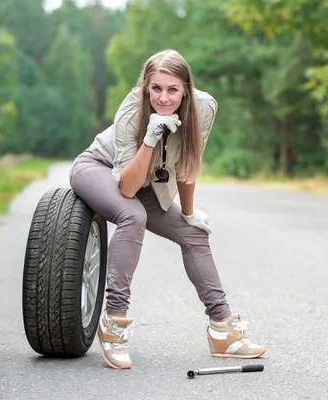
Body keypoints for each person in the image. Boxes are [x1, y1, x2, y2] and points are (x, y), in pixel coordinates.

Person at [69, 49, 266, 370]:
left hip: (147, 180)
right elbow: (127, 189)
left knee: (195, 235)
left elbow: (188, 162)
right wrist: (151, 135)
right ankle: (114, 323)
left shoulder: (203, 107)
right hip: (101, 169)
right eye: (156, 89)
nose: (163, 97)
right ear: (146, 87)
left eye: (172, 89)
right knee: (132, 215)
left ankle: (223, 332)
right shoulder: (133, 109)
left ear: (186, 88)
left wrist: (188, 213)